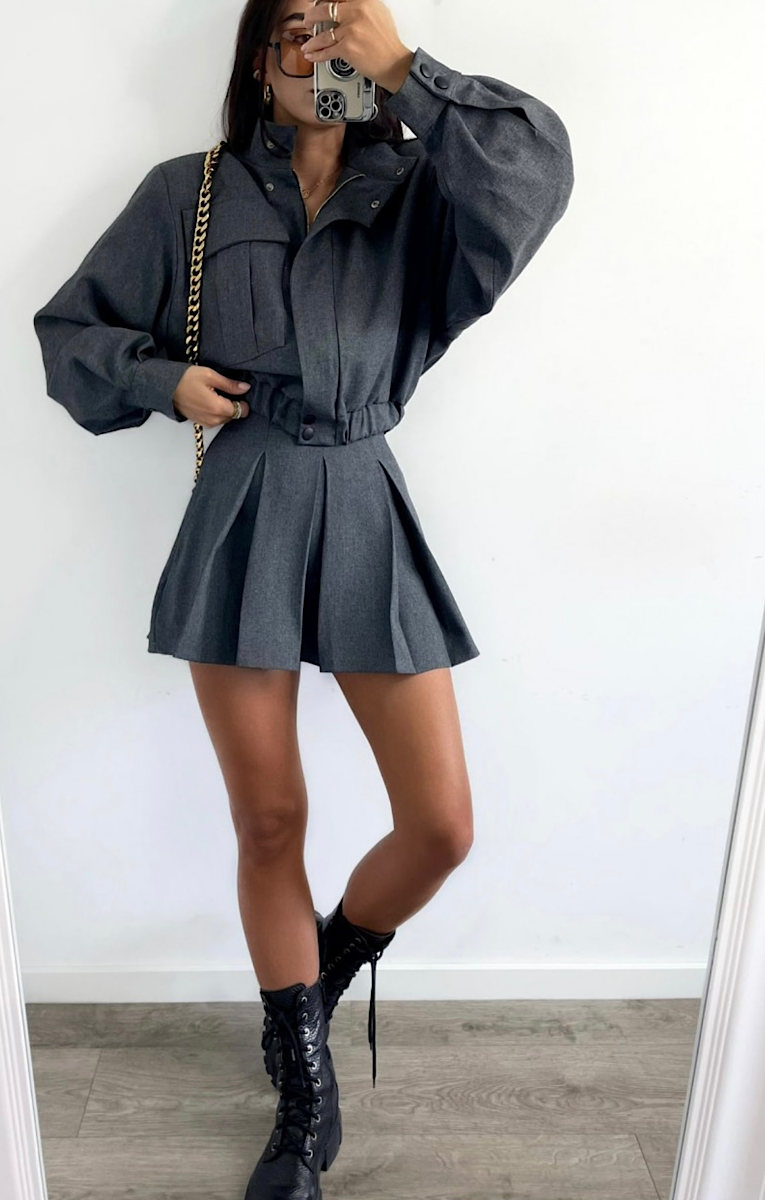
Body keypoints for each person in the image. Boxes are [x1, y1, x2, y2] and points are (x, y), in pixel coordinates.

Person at [32, 0, 574, 1193]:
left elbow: (537, 170)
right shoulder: (191, 192)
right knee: (270, 820)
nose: (317, 49)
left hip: (365, 495)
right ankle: (302, 1090)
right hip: (245, 502)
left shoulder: (426, 191)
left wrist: (408, 70)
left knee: (442, 826)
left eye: (341, 26)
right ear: (257, 56)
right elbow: (68, 333)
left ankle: (314, 983)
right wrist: (163, 380)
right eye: (295, 28)